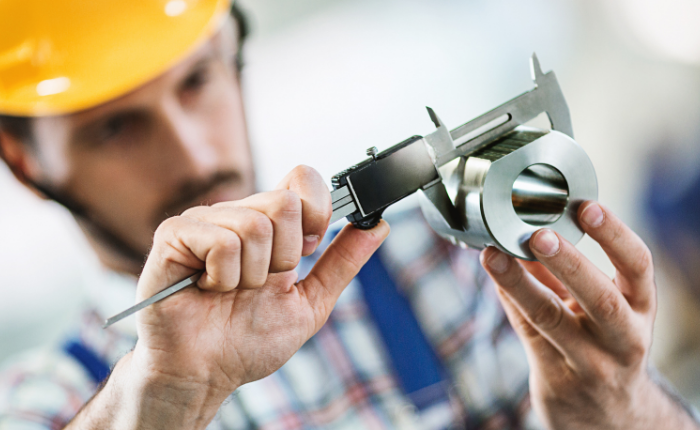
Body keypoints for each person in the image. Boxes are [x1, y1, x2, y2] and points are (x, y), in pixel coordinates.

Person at [0, 1, 697, 429]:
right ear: (27, 164)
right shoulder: (49, 397)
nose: (192, 154)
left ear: (236, 55)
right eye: (116, 130)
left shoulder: (443, 261)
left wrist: (619, 411)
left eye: (197, 81)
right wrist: (163, 399)